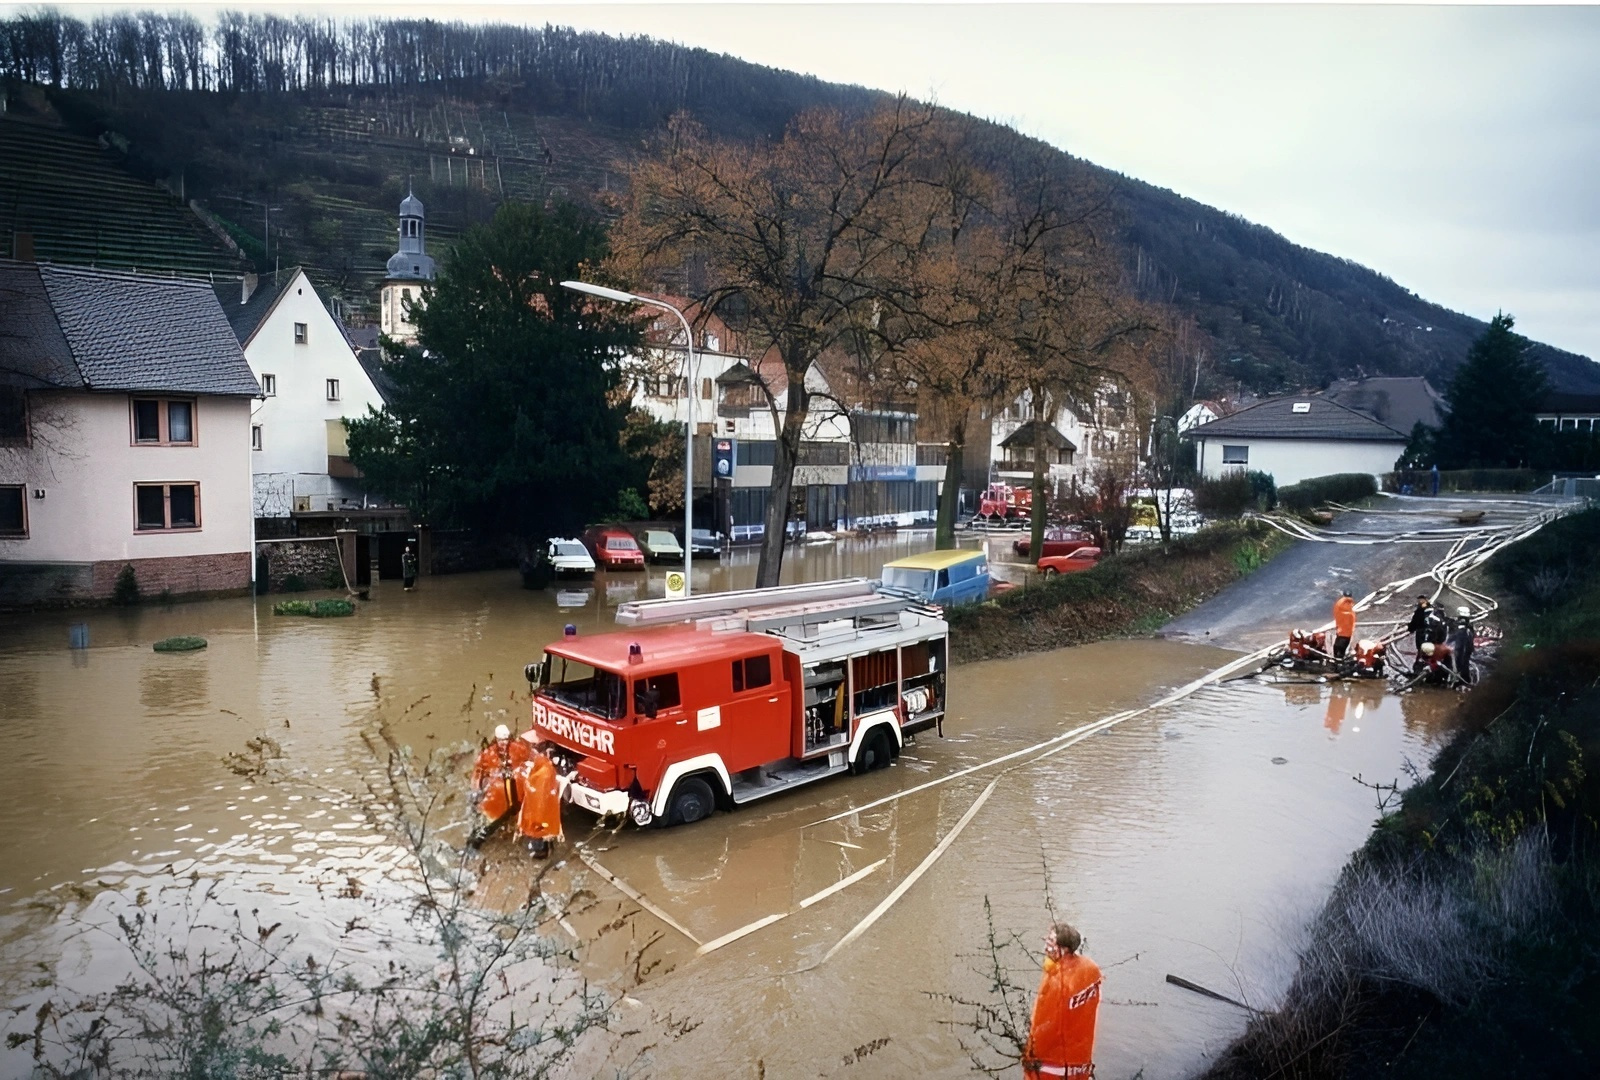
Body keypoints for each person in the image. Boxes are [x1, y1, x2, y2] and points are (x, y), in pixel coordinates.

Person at [1025, 922, 1102, 1080]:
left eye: (1050, 942)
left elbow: (1046, 1026)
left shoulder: (1058, 982)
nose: (1046, 946)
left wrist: (1030, 1054)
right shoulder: (1089, 969)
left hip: (1054, 1063)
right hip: (1080, 1058)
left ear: (1063, 948)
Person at [470, 724, 532, 844]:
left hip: (516, 792)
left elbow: (529, 760)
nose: (504, 743)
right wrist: (476, 791)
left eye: (506, 740)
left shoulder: (519, 749)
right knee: (488, 822)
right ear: (496, 739)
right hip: (498, 796)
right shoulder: (488, 755)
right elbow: (478, 774)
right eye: (501, 740)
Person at [516, 744, 564, 859]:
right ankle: (544, 849)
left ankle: (541, 851)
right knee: (542, 831)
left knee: (539, 832)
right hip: (542, 813)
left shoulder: (540, 773)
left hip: (537, 814)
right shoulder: (546, 770)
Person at [1448, 606, 1475, 684]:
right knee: (1464, 663)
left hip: (1461, 648)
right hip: (1468, 648)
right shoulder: (1469, 625)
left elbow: (1455, 636)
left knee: (1460, 663)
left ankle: (1463, 680)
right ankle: (1464, 679)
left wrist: (1448, 642)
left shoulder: (1461, 626)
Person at [1332, 590, 1356, 660]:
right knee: (1342, 649)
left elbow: (1337, 613)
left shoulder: (1339, 604)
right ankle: (1340, 659)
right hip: (1347, 632)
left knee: (1337, 648)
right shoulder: (1350, 606)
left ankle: (1336, 661)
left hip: (1341, 631)